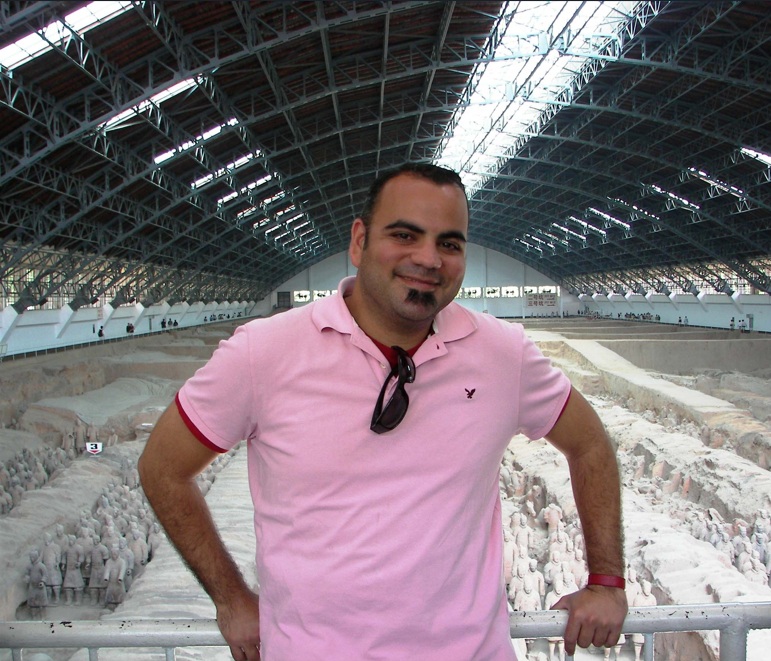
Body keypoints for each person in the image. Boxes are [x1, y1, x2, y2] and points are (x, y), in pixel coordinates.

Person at [139, 163, 627, 661]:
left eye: (449, 243)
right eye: (404, 235)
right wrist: (230, 598)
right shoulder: (263, 352)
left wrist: (606, 581)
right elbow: (162, 468)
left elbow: (590, 444)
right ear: (359, 242)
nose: (428, 259)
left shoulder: (505, 354)